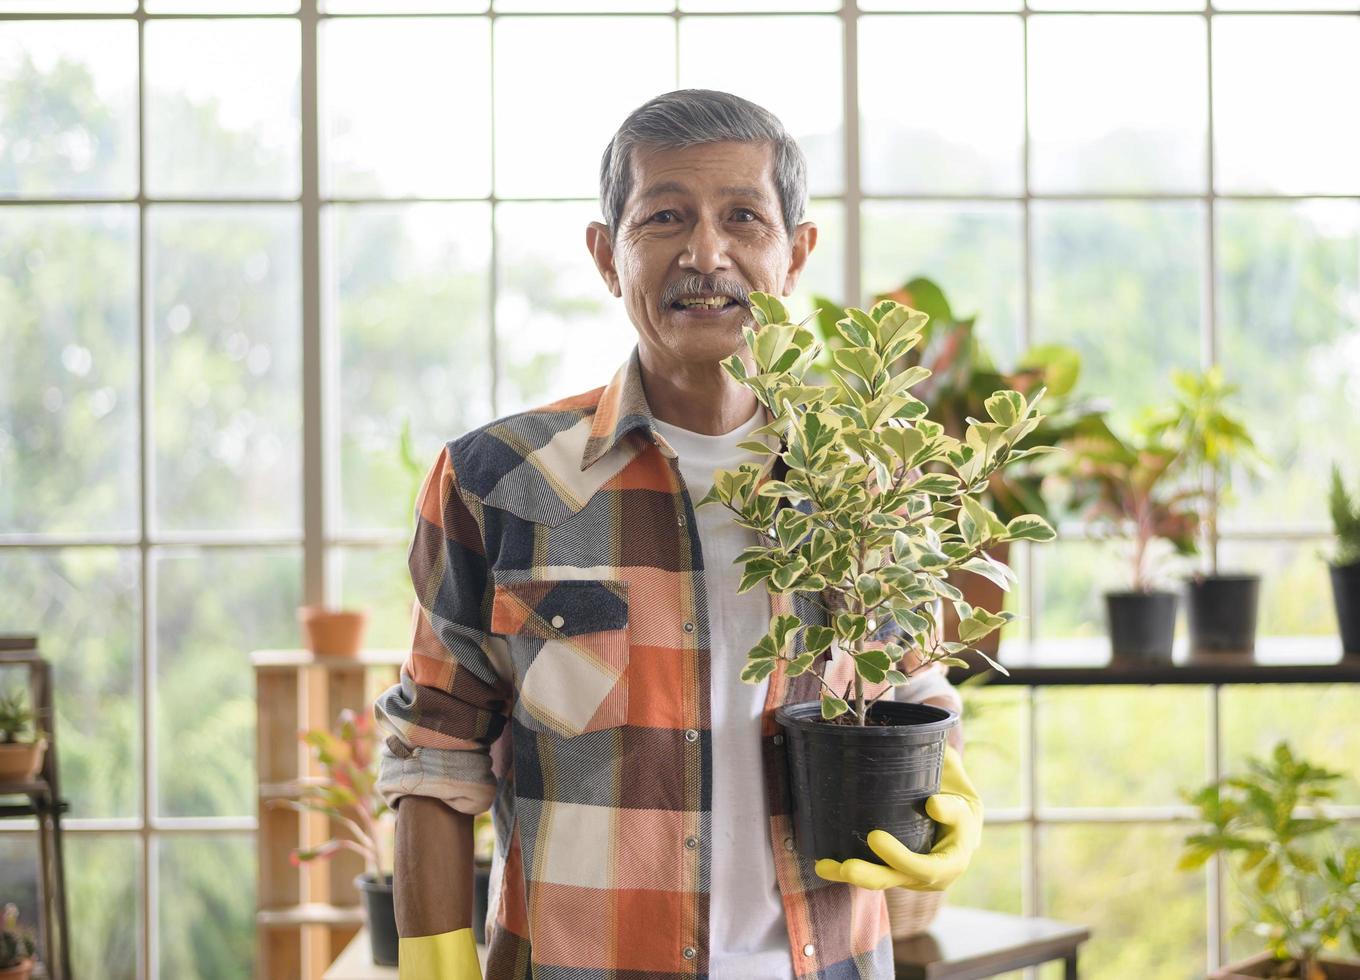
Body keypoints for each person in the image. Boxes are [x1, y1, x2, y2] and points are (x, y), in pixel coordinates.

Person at [374, 88, 981, 980]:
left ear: (795, 253)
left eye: (743, 217)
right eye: (664, 216)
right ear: (606, 256)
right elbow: (433, 758)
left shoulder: (867, 478)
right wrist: (434, 963)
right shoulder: (497, 482)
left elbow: (912, 697)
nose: (705, 252)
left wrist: (950, 801)